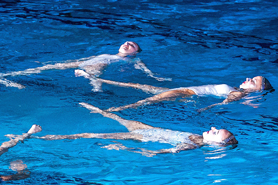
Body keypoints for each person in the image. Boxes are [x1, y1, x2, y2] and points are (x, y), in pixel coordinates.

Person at [32, 102, 237, 156]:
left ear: (216, 144)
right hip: (148, 128)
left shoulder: (192, 144)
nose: (212, 127)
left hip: (141, 135)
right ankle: (95, 109)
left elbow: (157, 153)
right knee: (115, 115)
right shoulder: (195, 137)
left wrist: (123, 148)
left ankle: (46, 138)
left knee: (90, 134)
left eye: (216, 132)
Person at [0, 41, 168, 89]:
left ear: (135, 52)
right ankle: (11, 74)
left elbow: (144, 69)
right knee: (46, 68)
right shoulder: (107, 52)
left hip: (99, 65)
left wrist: (155, 77)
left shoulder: (132, 59)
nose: (127, 45)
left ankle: (96, 90)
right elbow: (88, 57)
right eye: (126, 43)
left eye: (131, 45)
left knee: (94, 77)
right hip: (85, 62)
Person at [74, 72, 273, 112]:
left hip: (186, 93)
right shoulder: (237, 91)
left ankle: (115, 110)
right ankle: (94, 78)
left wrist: (206, 109)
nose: (248, 79)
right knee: (136, 86)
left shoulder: (238, 94)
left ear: (257, 90)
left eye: (253, 81)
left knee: (148, 100)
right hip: (183, 92)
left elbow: (225, 103)